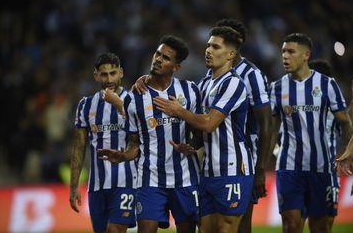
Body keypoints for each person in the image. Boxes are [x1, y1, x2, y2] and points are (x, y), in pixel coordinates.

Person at [153, 26, 253, 233]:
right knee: (205, 229)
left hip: (232, 169)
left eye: (216, 47)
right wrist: (192, 145)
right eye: (208, 45)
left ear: (231, 54)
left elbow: (209, 123)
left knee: (226, 229)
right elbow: (202, 129)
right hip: (207, 170)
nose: (208, 50)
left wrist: (179, 111)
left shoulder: (234, 83)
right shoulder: (205, 83)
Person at [98, 35, 200, 233]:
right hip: (150, 180)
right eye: (158, 54)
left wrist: (192, 145)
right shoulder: (134, 97)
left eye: (166, 58)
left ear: (176, 67)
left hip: (185, 178)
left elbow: (199, 133)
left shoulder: (190, 91)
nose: (159, 59)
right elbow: (135, 144)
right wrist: (123, 155)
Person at [268, 33, 353, 233]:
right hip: (289, 168)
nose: (285, 56)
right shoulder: (277, 88)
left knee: (320, 228)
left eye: (291, 51)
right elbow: (270, 128)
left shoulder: (327, 85)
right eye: (283, 52)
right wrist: (264, 161)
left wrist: (348, 153)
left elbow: (345, 121)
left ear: (306, 55)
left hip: (322, 168)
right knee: (291, 226)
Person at [213, 18, 271, 233]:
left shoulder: (252, 75)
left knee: (240, 222)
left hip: (243, 161)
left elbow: (267, 124)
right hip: (215, 163)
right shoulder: (212, 76)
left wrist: (261, 169)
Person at [69, 53, 137, 233]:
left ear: (121, 73)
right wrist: (74, 185)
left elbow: (140, 139)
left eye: (113, 73)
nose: (109, 79)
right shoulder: (86, 105)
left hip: (126, 180)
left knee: (114, 230)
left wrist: (120, 105)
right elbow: (79, 145)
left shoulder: (133, 101)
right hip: (96, 185)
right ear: (96, 76)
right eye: (104, 74)